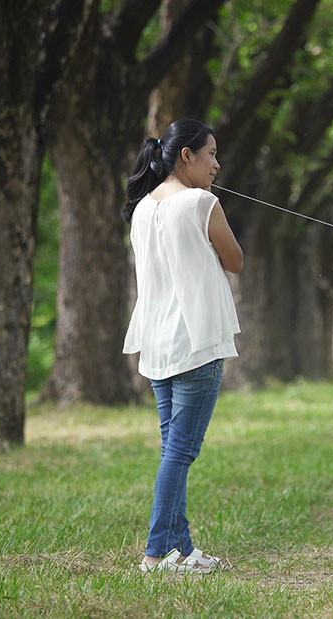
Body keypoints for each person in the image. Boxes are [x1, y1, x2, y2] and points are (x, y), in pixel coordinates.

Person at [122, 118, 244, 574]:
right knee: (180, 452)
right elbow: (235, 260)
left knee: (172, 447)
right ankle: (156, 554)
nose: (217, 163)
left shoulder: (142, 208)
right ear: (186, 155)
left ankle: (183, 552)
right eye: (210, 153)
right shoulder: (201, 202)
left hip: (156, 344)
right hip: (196, 342)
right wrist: (211, 227)